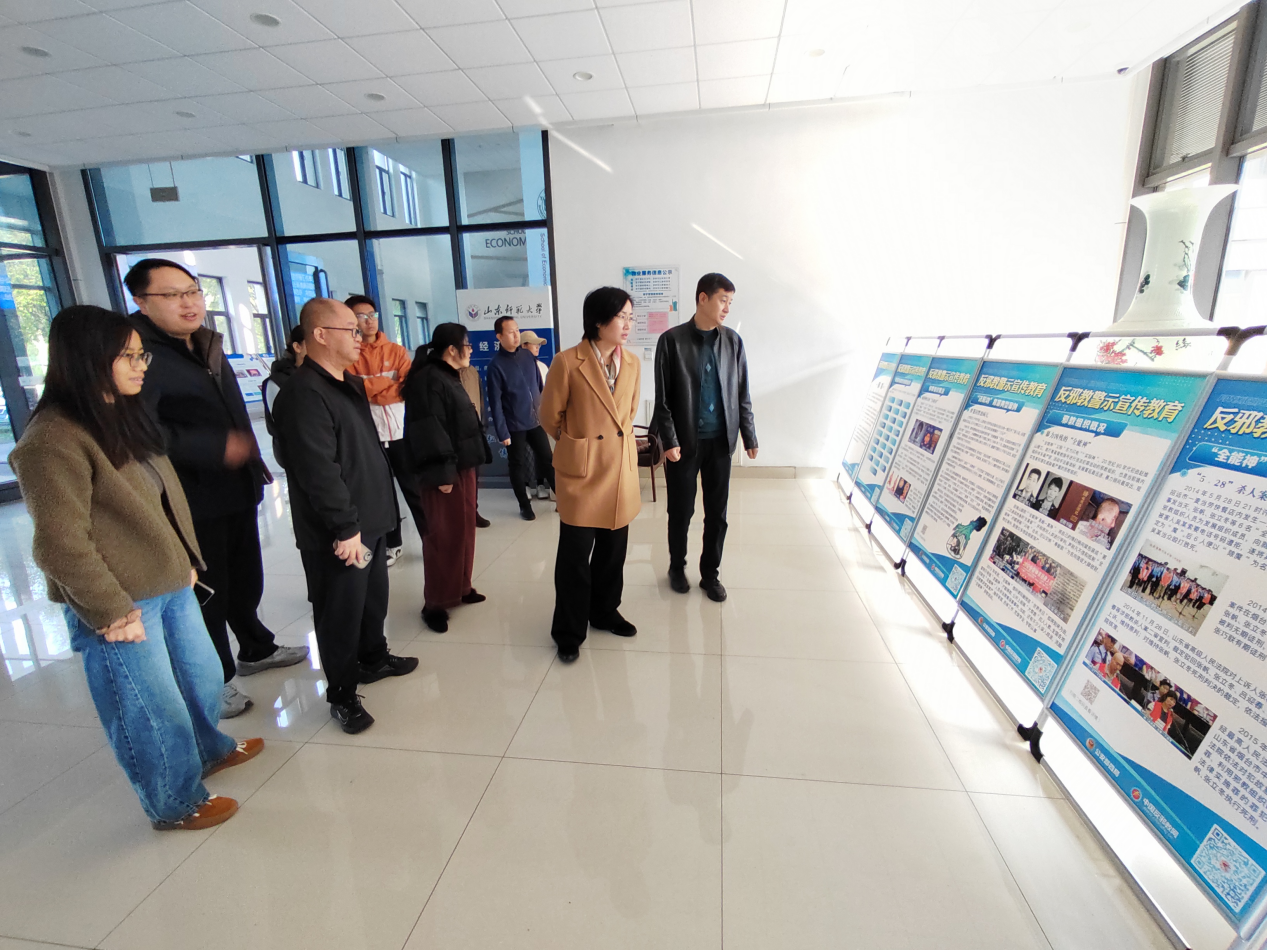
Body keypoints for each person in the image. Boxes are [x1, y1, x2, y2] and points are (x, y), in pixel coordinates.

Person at [10, 306, 263, 830]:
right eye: (127, 356)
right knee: (149, 709)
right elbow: (58, 543)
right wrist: (109, 609)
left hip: (169, 581)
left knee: (201, 678)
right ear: (87, 359)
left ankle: (210, 748)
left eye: (141, 354)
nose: (140, 365)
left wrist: (187, 559)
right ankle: (174, 801)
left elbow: (160, 498)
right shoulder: (51, 440)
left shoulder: (121, 416)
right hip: (122, 603)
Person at [125, 259, 306, 719]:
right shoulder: (137, 353)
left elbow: (231, 411)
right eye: (172, 295)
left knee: (245, 577)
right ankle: (215, 679)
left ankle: (256, 647)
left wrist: (252, 460)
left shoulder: (203, 342)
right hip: (191, 497)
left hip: (234, 485)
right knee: (208, 592)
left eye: (193, 291)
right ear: (141, 301)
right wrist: (216, 447)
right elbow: (140, 430)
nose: (188, 302)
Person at [272, 298, 419, 734]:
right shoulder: (303, 394)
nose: (361, 337)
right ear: (320, 335)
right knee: (339, 612)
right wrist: (345, 526)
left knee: (372, 601)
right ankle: (341, 694)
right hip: (340, 531)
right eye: (351, 330)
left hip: (370, 518)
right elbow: (317, 469)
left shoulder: (348, 384)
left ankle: (373, 658)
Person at [540, 287, 642, 662]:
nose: (628, 324)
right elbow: (549, 417)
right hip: (582, 472)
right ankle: (568, 630)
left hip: (619, 470)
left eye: (631, 317)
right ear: (598, 321)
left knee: (613, 553)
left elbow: (628, 414)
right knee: (575, 557)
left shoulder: (632, 362)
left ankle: (604, 611)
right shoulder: (567, 362)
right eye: (621, 317)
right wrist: (578, 445)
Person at [651, 272, 758, 602]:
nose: (727, 308)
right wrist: (669, 440)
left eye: (730, 302)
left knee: (717, 514)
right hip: (684, 444)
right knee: (681, 511)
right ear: (702, 298)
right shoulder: (672, 341)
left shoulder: (733, 342)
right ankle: (676, 567)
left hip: (720, 443)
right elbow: (663, 400)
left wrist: (749, 435)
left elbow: (742, 392)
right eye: (723, 300)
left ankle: (710, 574)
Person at [401, 323, 491, 632]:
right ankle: (435, 603)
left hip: (461, 466)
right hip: (443, 471)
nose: (470, 350)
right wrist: (442, 473)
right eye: (467, 345)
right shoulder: (428, 380)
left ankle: (461, 588)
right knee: (443, 536)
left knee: (463, 531)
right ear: (451, 349)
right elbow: (429, 429)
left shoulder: (448, 375)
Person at [345, 295, 425, 567]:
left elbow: (405, 387)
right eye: (362, 316)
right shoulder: (350, 354)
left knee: (414, 489)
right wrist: (385, 383)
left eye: (372, 314)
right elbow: (353, 391)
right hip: (370, 436)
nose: (369, 320)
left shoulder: (396, 351)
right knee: (383, 494)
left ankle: (431, 541)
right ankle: (393, 544)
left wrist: (372, 389)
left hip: (401, 432)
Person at [487, 316, 555, 520]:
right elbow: (495, 403)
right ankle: (524, 506)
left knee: (548, 459)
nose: (516, 335)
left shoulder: (527, 356)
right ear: (499, 336)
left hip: (535, 421)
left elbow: (539, 386)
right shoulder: (496, 366)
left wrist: (543, 412)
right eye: (510, 332)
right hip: (514, 425)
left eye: (517, 330)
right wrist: (502, 432)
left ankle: (563, 497)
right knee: (517, 464)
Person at [457, 362, 492, 528]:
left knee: (473, 478)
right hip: (455, 435)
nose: (470, 351)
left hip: (474, 431)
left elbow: (480, 398)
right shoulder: (443, 374)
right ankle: (460, 516)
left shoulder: (472, 371)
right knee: (458, 480)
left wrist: (482, 423)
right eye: (467, 349)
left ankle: (473, 512)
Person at [519, 330, 553, 500]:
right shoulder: (515, 366)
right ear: (523, 345)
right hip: (520, 418)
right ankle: (526, 485)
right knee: (524, 453)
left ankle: (540, 484)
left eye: (539, 344)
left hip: (540, 416)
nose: (537, 347)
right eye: (534, 344)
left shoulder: (542, 366)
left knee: (542, 453)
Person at [261, 324, 305, 438]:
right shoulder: (277, 382)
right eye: (313, 343)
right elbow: (287, 426)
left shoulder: (328, 377)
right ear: (297, 347)